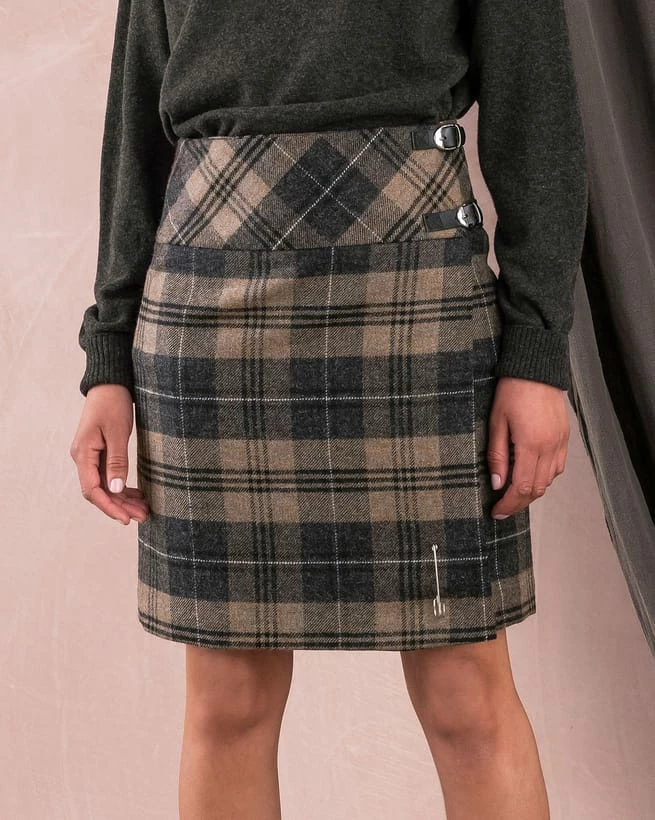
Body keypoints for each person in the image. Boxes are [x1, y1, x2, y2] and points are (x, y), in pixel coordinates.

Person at [69, 1, 588, 817]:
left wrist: (537, 351)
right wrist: (108, 357)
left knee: (464, 695)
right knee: (228, 701)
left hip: (417, 306)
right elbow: (136, 129)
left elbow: (539, 113)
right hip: (209, 314)